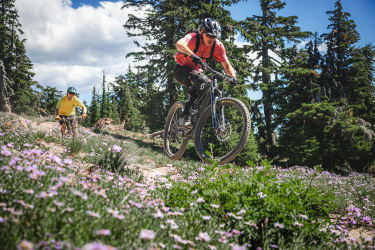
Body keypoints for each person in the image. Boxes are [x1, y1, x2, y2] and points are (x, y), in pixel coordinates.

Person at [174, 17, 238, 128]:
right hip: (181, 68)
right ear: (202, 32)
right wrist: (192, 55)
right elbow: (179, 44)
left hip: (196, 72)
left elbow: (227, 65)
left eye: (214, 36)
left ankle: (214, 124)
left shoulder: (217, 46)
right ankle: (186, 116)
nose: (212, 38)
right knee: (201, 79)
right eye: (209, 35)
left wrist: (233, 76)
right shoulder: (193, 38)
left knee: (216, 91)